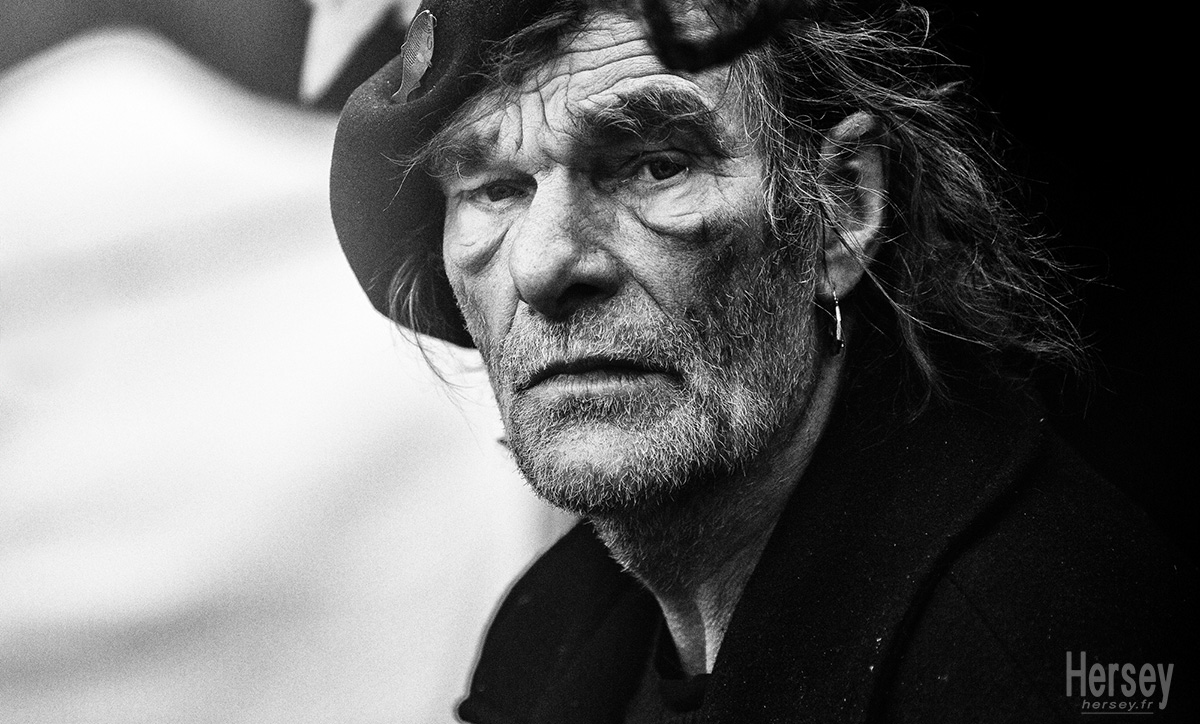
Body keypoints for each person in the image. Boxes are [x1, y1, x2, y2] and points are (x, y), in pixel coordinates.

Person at [330, 0, 1197, 721]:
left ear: (840, 208)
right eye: (493, 189)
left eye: (655, 165)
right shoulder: (549, 635)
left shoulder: (1045, 652)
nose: (544, 264)